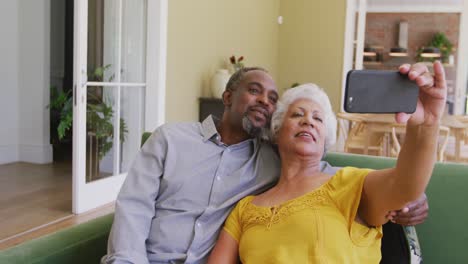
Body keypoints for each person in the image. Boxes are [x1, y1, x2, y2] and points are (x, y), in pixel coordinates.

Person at [103, 67, 429, 264]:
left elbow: (328, 177)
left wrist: (405, 195)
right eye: (254, 90)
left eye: (273, 98)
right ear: (228, 96)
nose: (264, 101)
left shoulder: (298, 168)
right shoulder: (171, 139)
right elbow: (134, 207)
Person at [208, 61, 446, 263]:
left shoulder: (349, 184)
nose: (308, 122)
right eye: (297, 114)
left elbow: (404, 186)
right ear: (277, 131)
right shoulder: (245, 209)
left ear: (325, 140)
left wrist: (426, 124)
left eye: (318, 119)